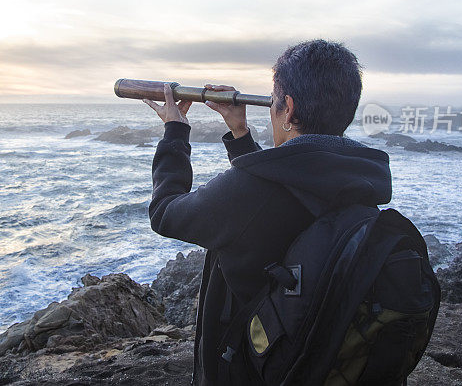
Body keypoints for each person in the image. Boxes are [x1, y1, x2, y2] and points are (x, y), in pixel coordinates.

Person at [143, 39, 392, 385]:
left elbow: (165, 212)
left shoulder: (248, 192)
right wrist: (240, 132)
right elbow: (285, 182)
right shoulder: (356, 180)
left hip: (250, 367)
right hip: (318, 358)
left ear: (287, 109)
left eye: (274, 100)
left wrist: (175, 131)